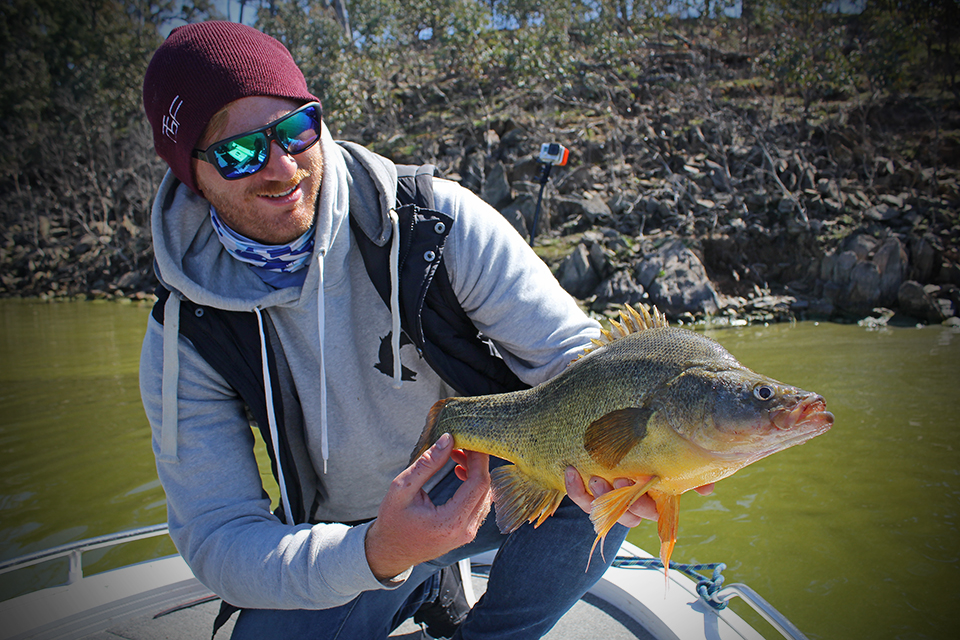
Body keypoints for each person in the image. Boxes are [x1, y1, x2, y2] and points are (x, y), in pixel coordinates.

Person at [139, 20, 708, 640]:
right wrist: (378, 551)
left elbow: (576, 364)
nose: (282, 167)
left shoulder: (438, 223)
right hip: (350, 539)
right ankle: (420, 577)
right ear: (192, 172)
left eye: (296, 129)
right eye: (239, 152)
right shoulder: (185, 333)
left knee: (604, 464)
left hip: (496, 487)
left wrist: (659, 455)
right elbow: (219, 537)